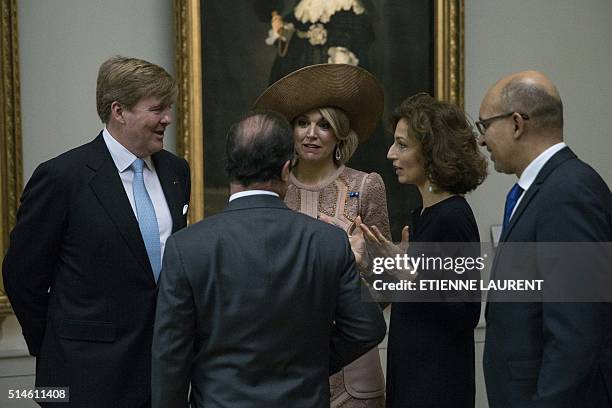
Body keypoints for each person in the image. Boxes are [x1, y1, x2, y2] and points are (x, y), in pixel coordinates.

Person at [151, 110, 386, 408]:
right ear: (286, 169)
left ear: (229, 168)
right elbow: (367, 328)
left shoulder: (186, 248)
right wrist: (313, 364)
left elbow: (170, 357)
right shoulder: (328, 241)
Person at [2, 56, 191, 408]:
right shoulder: (62, 177)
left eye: (169, 108)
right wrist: (55, 343)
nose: (167, 118)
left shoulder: (176, 171)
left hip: (160, 372)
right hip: (82, 376)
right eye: (157, 109)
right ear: (119, 111)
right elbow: (21, 275)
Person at [255, 63, 390, 407]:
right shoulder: (271, 189)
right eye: (302, 122)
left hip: (354, 366)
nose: (311, 133)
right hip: (286, 360)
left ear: (340, 133)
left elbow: (385, 287)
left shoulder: (366, 186)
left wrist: (355, 267)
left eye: (324, 125)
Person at [478, 71, 612, 408]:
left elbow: (576, 330)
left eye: (484, 126)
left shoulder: (569, 191)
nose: (482, 140)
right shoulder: (544, 188)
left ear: (517, 124)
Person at [357, 93, 486, 407]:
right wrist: (365, 264)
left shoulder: (453, 216)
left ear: (431, 153)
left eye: (402, 145)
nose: (390, 154)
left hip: (437, 388)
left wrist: (411, 275)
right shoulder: (423, 215)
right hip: (412, 379)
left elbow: (466, 311)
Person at [254, 0, 375, 84]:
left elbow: (361, 33)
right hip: (304, 66)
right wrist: (283, 30)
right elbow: (296, 32)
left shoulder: (348, 5)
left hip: (334, 65)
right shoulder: (304, 6)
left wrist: (341, 50)